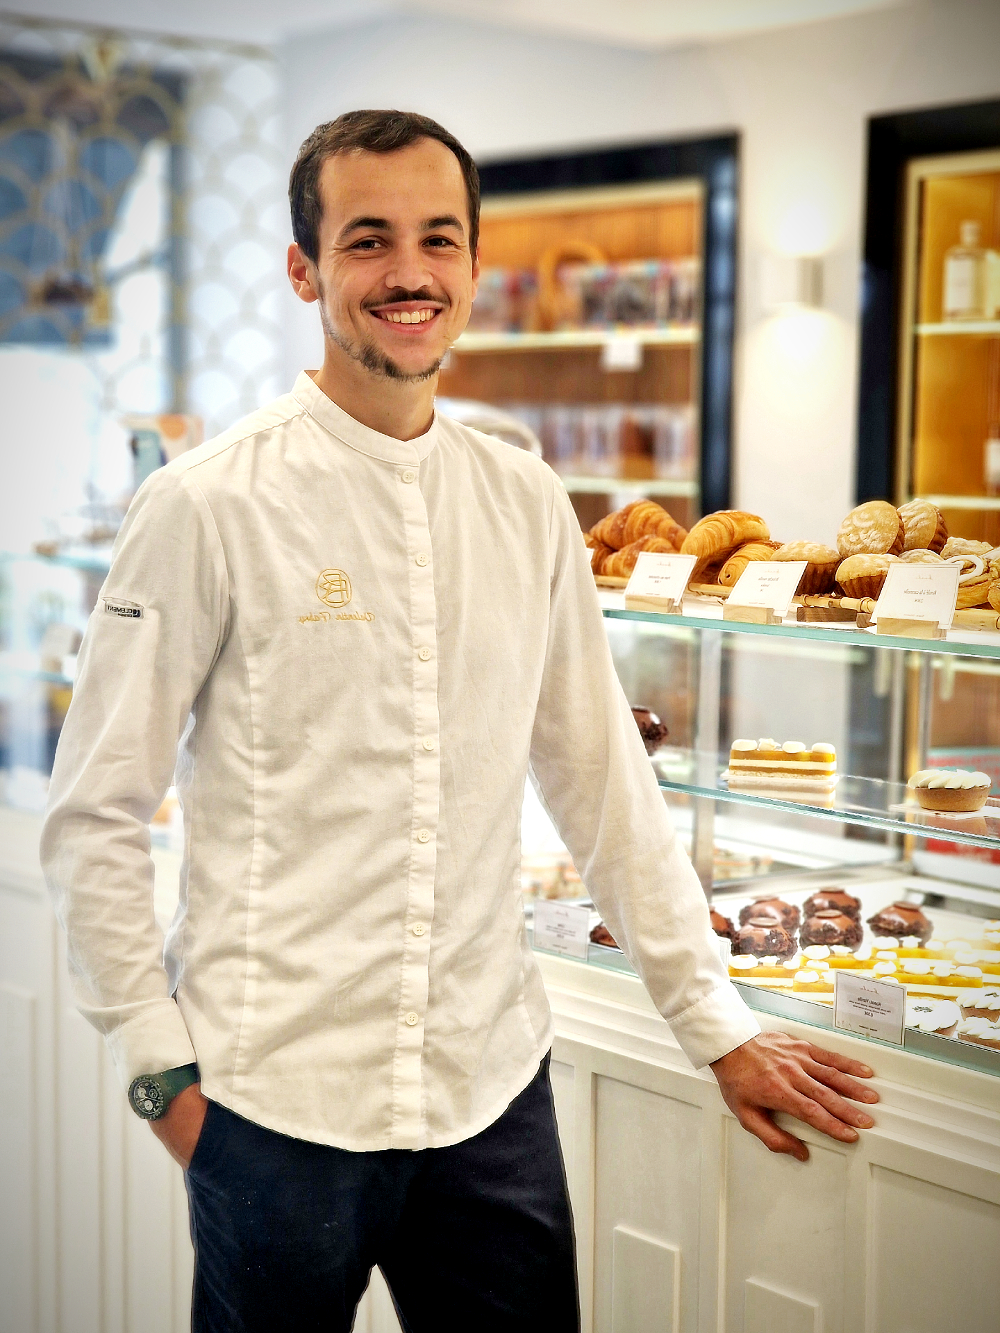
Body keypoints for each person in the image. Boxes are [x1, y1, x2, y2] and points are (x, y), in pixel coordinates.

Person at [41, 110, 878, 1333]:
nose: (409, 272)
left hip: (492, 1103)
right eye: (367, 240)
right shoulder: (206, 505)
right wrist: (158, 1069)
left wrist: (716, 1024)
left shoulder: (525, 499)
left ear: (475, 266)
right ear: (304, 270)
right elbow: (95, 813)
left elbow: (601, 782)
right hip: (273, 1109)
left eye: (439, 238)